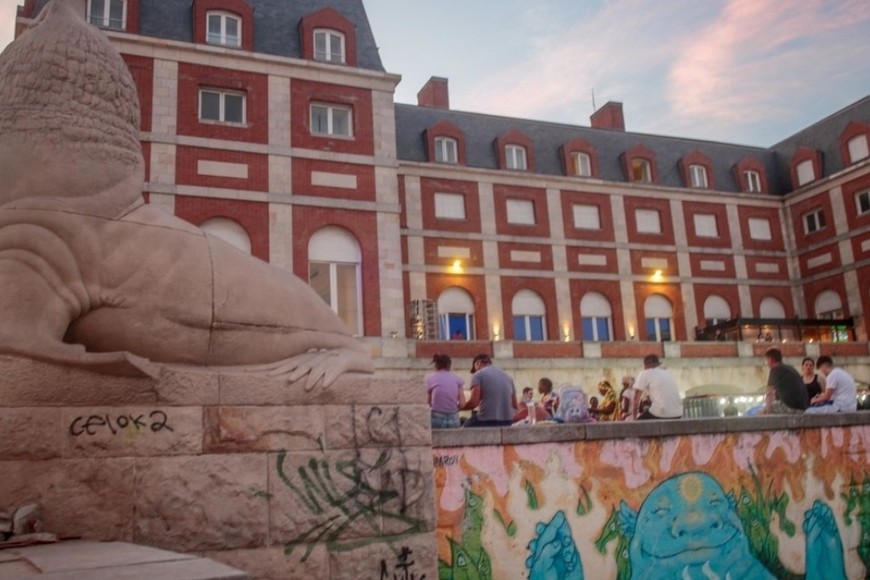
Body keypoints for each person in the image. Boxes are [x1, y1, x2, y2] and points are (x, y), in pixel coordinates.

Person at [462, 354, 518, 427]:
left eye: (474, 369)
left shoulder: (478, 375)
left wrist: (459, 407)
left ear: (478, 363)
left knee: (464, 427)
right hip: (507, 421)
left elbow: (473, 403)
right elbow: (515, 405)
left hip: (486, 421)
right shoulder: (508, 377)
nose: (475, 371)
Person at [634, 354, 683, 420]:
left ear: (646, 364)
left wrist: (634, 417)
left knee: (638, 426)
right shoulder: (668, 373)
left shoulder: (645, 373)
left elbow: (636, 397)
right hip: (678, 413)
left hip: (660, 413)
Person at [762, 347, 808, 414]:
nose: (766, 362)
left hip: (791, 408)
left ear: (771, 359)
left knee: (760, 413)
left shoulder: (775, 370)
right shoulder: (790, 368)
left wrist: (768, 414)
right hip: (803, 407)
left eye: (766, 360)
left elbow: (769, 394)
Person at [425, 354, 466, 429]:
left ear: (436, 365)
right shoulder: (457, 379)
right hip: (454, 418)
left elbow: (427, 403)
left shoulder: (429, 379)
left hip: (436, 417)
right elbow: (462, 404)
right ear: (449, 366)